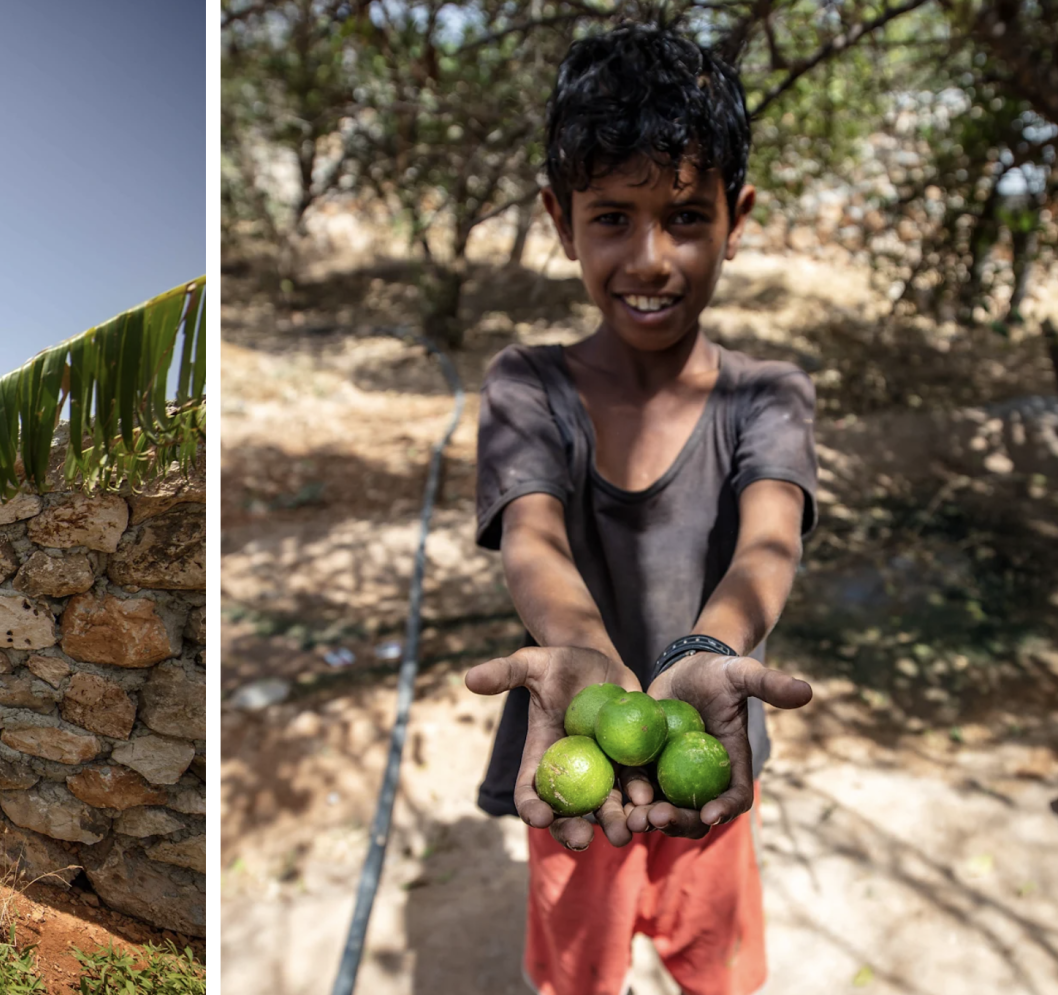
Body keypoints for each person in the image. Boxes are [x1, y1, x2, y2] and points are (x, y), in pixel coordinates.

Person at [464, 24, 817, 995]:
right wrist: (587, 655)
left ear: (734, 216)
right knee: (576, 971)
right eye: (611, 216)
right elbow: (531, 540)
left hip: (709, 739)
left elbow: (767, 542)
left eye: (685, 216)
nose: (649, 257)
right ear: (557, 216)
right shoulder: (525, 384)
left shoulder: (766, 394)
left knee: (718, 967)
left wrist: (701, 654)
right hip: (571, 749)